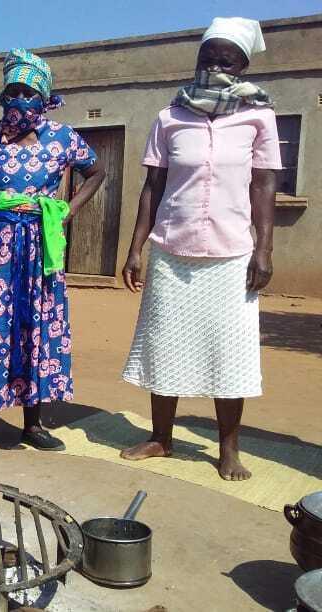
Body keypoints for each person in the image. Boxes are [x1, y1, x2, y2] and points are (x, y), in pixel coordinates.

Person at [120, 17, 281, 481]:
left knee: (229, 353)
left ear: (244, 66)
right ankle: (161, 437)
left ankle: (229, 448)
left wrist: (264, 250)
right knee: (163, 345)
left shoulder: (258, 117)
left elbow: (265, 184)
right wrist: (136, 250)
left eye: (225, 60)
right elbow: (152, 186)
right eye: (207, 57)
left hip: (232, 254)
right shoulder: (171, 117)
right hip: (172, 251)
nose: (214, 66)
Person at [0, 49, 105, 449]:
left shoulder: (63, 138)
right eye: (13, 92)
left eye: (28, 93)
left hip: (38, 248)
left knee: (35, 326)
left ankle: (33, 424)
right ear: (2, 97)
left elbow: (96, 171)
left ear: (44, 98)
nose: (20, 101)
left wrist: (65, 211)